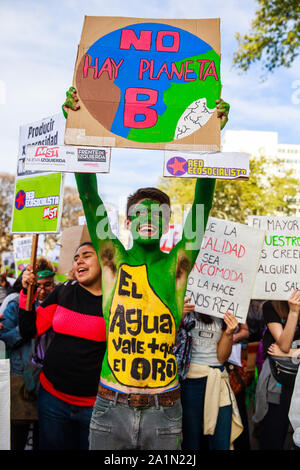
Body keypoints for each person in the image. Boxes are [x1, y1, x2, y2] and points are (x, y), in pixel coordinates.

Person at [64, 86, 230, 449]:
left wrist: (211, 139)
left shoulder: (178, 266)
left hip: (165, 411)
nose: (150, 219)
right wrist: (76, 129)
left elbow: (202, 207)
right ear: (127, 221)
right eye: (141, 213)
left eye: (160, 214)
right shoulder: (112, 259)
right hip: (111, 407)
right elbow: (90, 196)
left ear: (171, 223)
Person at [18, 242, 106, 450]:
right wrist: (26, 292)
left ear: (104, 261)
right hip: (52, 401)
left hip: (95, 406)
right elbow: (30, 330)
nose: (79, 261)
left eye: (87, 255)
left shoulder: (117, 300)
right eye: (76, 258)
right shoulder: (62, 292)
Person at [0, 258, 56, 450]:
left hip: (49, 378)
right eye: (37, 285)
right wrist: (27, 330)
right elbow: (4, 335)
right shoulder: (15, 304)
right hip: (21, 376)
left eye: (47, 285)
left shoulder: (57, 304)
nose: (41, 291)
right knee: (19, 434)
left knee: (44, 433)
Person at [175, 306, 242, 450]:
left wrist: (229, 333)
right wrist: (177, 316)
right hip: (189, 380)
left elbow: (221, 357)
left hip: (218, 379)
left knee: (221, 440)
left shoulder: (223, 310)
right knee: (190, 440)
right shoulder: (185, 304)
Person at [254, 289, 300, 450]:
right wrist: (294, 312)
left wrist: (294, 353)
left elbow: (285, 349)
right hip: (280, 378)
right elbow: (284, 344)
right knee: (274, 430)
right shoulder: (270, 306)